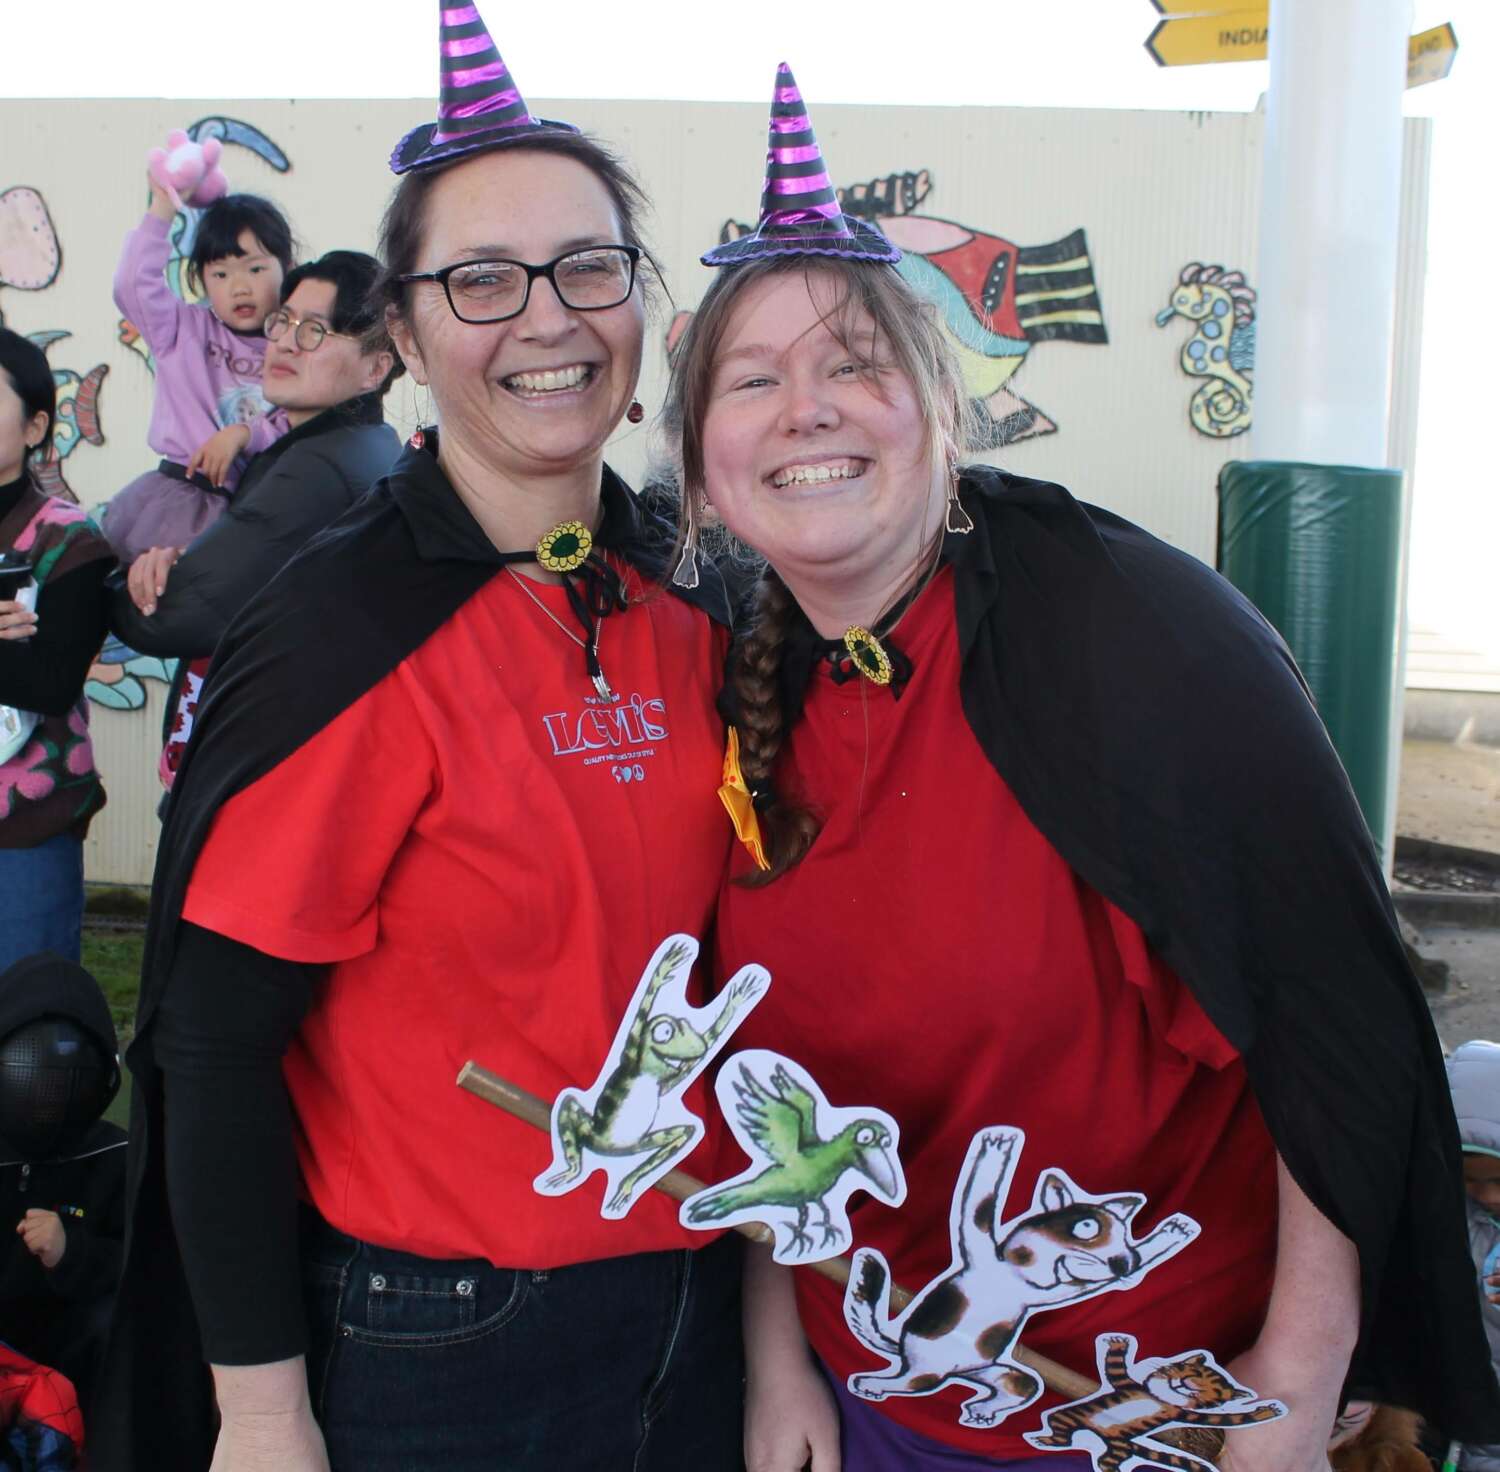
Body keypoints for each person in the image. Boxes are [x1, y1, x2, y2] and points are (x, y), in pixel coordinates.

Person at [663, 65, 1500, 1472]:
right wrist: (780, 1357)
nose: (806, 408)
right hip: (880, 1394)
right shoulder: (745, 688)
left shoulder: (1133, 635)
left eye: (854, 362)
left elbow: (1326, 1023)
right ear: (702, 464)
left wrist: (1298, 1376)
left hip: (1155, 1411)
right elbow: (767, 1083)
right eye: (753, 379)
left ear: (943, 408)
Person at [95, 12, 740, 1472]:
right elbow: (213, 1043)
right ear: (406, 330)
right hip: (442, 1337)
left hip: (699, 1299)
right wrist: (263, 1410)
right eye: (483, 279)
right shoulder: (343, 630)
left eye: (588, 267)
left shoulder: (700, 595)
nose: (548, 319)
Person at [108, 249, 402, 792]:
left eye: (315, 330)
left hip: (263, 772)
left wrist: (117, 583)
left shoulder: (316, 469)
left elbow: (176, 616)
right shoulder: (361, 445)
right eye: (283, 321)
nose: (286, 342)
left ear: (376, 369)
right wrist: (187, 559)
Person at [0, 329, 113, 971]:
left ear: (36, 426)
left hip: (25, 826)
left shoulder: (70, 541)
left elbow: (47, 683)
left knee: (24, 1013)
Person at [103, 185, 295, 561]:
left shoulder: (293, 346)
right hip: (179, 495)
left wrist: (245, 434)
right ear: (200, 280)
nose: (239, 287)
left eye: (255, 269)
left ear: (287, 268)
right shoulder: (181, 329)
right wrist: (163, 206)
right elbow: (132, 284)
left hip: (251, 506)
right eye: (220, 274)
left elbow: (300, 421)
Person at [0, 952, 128, 1416]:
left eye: (66, 1080)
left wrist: (70, 1253)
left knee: (114, 1322)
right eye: (31, 1071)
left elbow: (143, 1264)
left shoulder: (116, 1156)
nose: (46, 1095)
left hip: (71, 1353)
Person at [1447, 1041, 1500, 1470]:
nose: (1488, 1195)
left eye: (1499, 1180)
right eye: (1470, 1179)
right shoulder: (1447, 1215)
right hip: (1472, 1415)